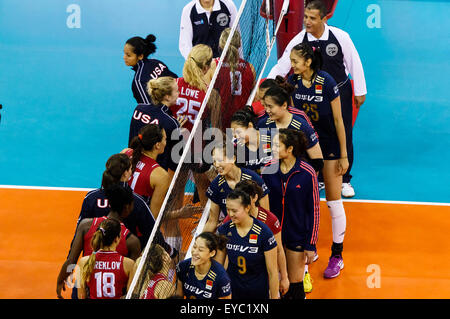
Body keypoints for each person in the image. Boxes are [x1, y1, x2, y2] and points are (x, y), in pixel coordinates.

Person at [267, 0, 367, 197]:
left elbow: (354, 61)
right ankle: (318, 175)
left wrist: (360, 91)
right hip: (311, 97)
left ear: (324, 18)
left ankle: (344, 179)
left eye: (312, 18)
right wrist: (268, 85)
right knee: (312, 134)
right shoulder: (298, 40)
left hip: (339, 93)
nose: (307, 22)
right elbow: (282, 65)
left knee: (343, 132)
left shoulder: (340, 37)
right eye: (305, 17)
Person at [288, 42, 349, 279]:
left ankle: (337, 255)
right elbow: (294, 119)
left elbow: (338, 120)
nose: (292, 65)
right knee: (302, 203)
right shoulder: (293, 83)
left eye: (295, 61)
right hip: (305, 150)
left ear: (308, 62)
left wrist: (344, 155)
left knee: (334, 203)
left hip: (330, 147)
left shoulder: (326, 82)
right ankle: (304, 256)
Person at [261, 128, 320, 299]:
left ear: (290, 149)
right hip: (273, 234)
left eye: (277, 145)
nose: (272, 148)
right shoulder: (267, 169)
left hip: (297, 235)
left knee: (295, 286)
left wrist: (311, 244)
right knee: (275, 282)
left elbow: (314, 211)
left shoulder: (307, 173)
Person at [56, 184, 141, 299]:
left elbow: (71, 261)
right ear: (127, 207)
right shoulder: (132, 241)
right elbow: (131, 283)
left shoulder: (86, 225)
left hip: (84, 290)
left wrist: (60, 280)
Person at [73, 153, 156, 248]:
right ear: (125, 173)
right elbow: (153, 234)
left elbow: (79, 234)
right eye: (130, 169)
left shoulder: (91, 198)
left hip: (93, 258)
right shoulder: (136, 201)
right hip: (126, 259)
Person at [222, 180, 289, 296]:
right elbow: (226, 255)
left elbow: (278, 251)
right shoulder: (229, 221)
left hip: (259, 282)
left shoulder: (269, 221)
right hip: (236, 284)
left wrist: (284, 277)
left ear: (254, 198)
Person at [203, 139, 270, 233]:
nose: (216, 165)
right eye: (214, 161)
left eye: (220, 160)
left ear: (233, 159)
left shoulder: (253, 179)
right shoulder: (216, 185)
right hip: (232, 233)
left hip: (255, 231)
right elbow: (212, 222)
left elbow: (266, 214)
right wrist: (198, 243)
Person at [257, 83, 324, 173]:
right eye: (265, 106)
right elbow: (260, 156)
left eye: (270, 107)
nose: (267, 110)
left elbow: (318, 162)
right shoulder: (263, 124)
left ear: (284, 105)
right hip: (272, 179)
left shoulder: (301, 126)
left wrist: (305, 180)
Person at [128, 76, 185, 175]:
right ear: (167, 96)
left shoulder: (139, 109)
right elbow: (177, 158)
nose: (179, 94)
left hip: (132, 165)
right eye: (176, 91)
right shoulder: (171, 123)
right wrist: (176, 128)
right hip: (154, 173)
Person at [77, 218, 136, 299]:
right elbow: (131, 296)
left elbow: (81, 296)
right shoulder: (128, 264)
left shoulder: (83, 262)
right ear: (117, 238)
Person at [212, 28, 256, 129]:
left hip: (220, 122)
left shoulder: (214, 65)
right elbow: (254, 97)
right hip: (242, 122)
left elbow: (208, 97)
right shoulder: (250, 67)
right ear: (239, 44)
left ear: (221, 44)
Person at [128, 124, 170, 218]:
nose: (166, 143)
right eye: (165, 139)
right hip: (136, 227)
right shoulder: (161, 175)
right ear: (157, 145)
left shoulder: (126, 153)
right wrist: (179, 214)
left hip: (115, 218)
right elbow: (154, 216)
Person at [124, 34, 178, 104]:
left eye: (128, 55)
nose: (124, 57)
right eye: (124, 53)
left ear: (140, 56)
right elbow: (177, 80)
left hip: (168, 111)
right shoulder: (156, 62)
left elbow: (149, 109)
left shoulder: (139, 81)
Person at [176, 232, 231, 299]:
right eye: (194, 247)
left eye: (200, 250)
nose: (195, 252)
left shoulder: (221, 277)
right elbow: (178, 296)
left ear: (212, 253)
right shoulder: (183, 266)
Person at [230, 106, 273, 173]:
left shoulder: (272, 138)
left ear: (250, 126)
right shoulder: (237, 148)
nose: (235, 136)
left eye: (238, 132)